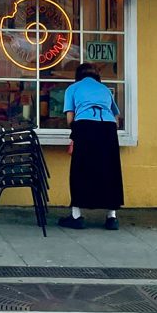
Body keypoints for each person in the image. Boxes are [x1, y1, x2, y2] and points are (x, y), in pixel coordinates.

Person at [57, 62, 124, 230]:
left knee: (80, 170)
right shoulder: (104, 90)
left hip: (85, 126)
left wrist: (76, 132)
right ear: (97, 76)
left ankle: (76, 215)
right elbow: (116, 118)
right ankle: (112, 217)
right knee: (110, 170)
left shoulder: (72, 88)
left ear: (77, 76)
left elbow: (70, 119)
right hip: (107, 128)